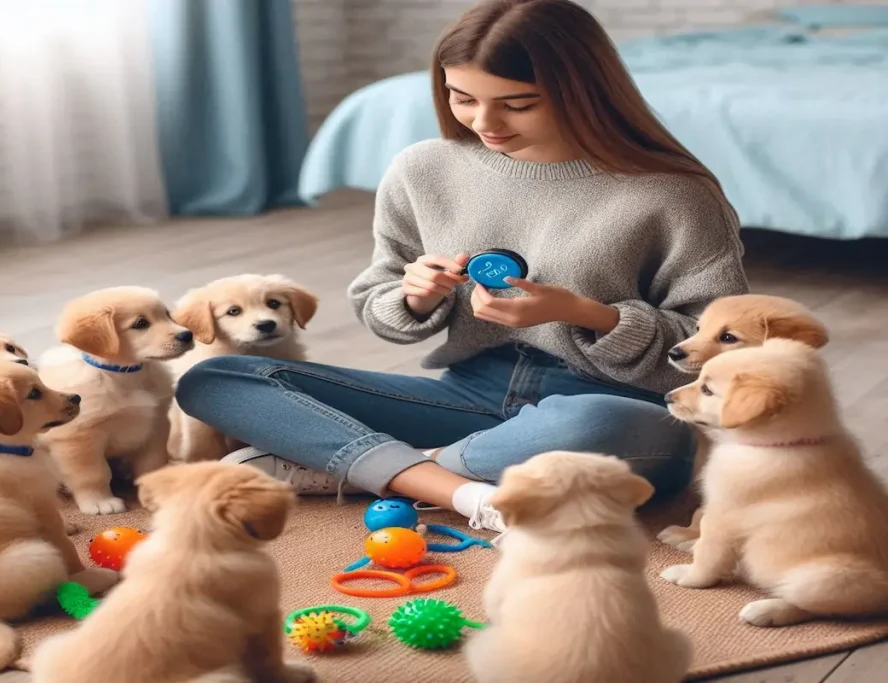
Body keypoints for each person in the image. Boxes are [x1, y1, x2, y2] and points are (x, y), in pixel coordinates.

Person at [175, 0, 749, 535]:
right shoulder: (424, 169)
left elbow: (720, 349)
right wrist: (415, 296)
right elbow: (378, 296)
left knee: (601, 425)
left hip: (609, 407)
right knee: (215, 377)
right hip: (470, 397)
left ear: (584, 91)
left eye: (518, 104)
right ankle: (458, 489)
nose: (485, 122)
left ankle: (367, 464)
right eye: (461, 97)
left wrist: (587, 315)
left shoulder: (675, 195)